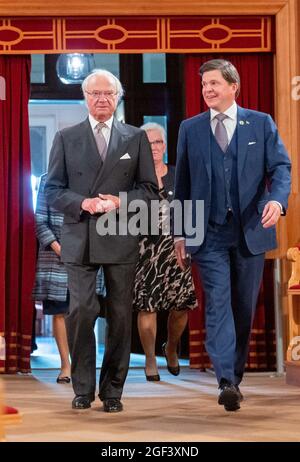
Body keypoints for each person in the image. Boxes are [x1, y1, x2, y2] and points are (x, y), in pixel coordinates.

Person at [174, 59, 291, 412]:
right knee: (218, 303)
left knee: (243, 307)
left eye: (214, 84)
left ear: (233, 86)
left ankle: (234, 378)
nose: (207, 90)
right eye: (204, 85)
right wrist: (181, 234)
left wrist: (277, 201)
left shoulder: (260, 123)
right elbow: (182, 186)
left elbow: (281, 168)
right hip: (208, 235)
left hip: (250, 233)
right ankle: (225, 379)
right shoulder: (190, 129)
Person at [45, 69, 158, 413]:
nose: (101, 99)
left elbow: (150, 191)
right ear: (85, 97)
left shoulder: (135, 137)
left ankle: (113, 391)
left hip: (120, 234)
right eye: (95, 94)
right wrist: (83, 202)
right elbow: (51, 190)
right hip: (80, 236)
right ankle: (82, 387)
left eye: (108, 94)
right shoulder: (67, 137)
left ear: (118, 97)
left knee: (122, 316)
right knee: (81, 312)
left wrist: (119, 202)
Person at [133, 123, 197, 381]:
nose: (154, 148)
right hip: (144, 250)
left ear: (165, 146)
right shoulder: (134, 178)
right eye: (148, 144)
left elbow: (192, 207)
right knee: (147, 306)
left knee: (181, 306)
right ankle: (150, 359)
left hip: (177, 248)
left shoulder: (177, 174)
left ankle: (171, 346)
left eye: (158, 142)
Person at [32, 174, 106, 384]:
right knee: (60, 312)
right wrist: (60, 249)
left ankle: (82, 363)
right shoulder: (48, 180)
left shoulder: (92, 176)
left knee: (84, 310)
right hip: (57, 257)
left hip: (87, 254)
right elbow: (40, 221)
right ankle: (66, 365)